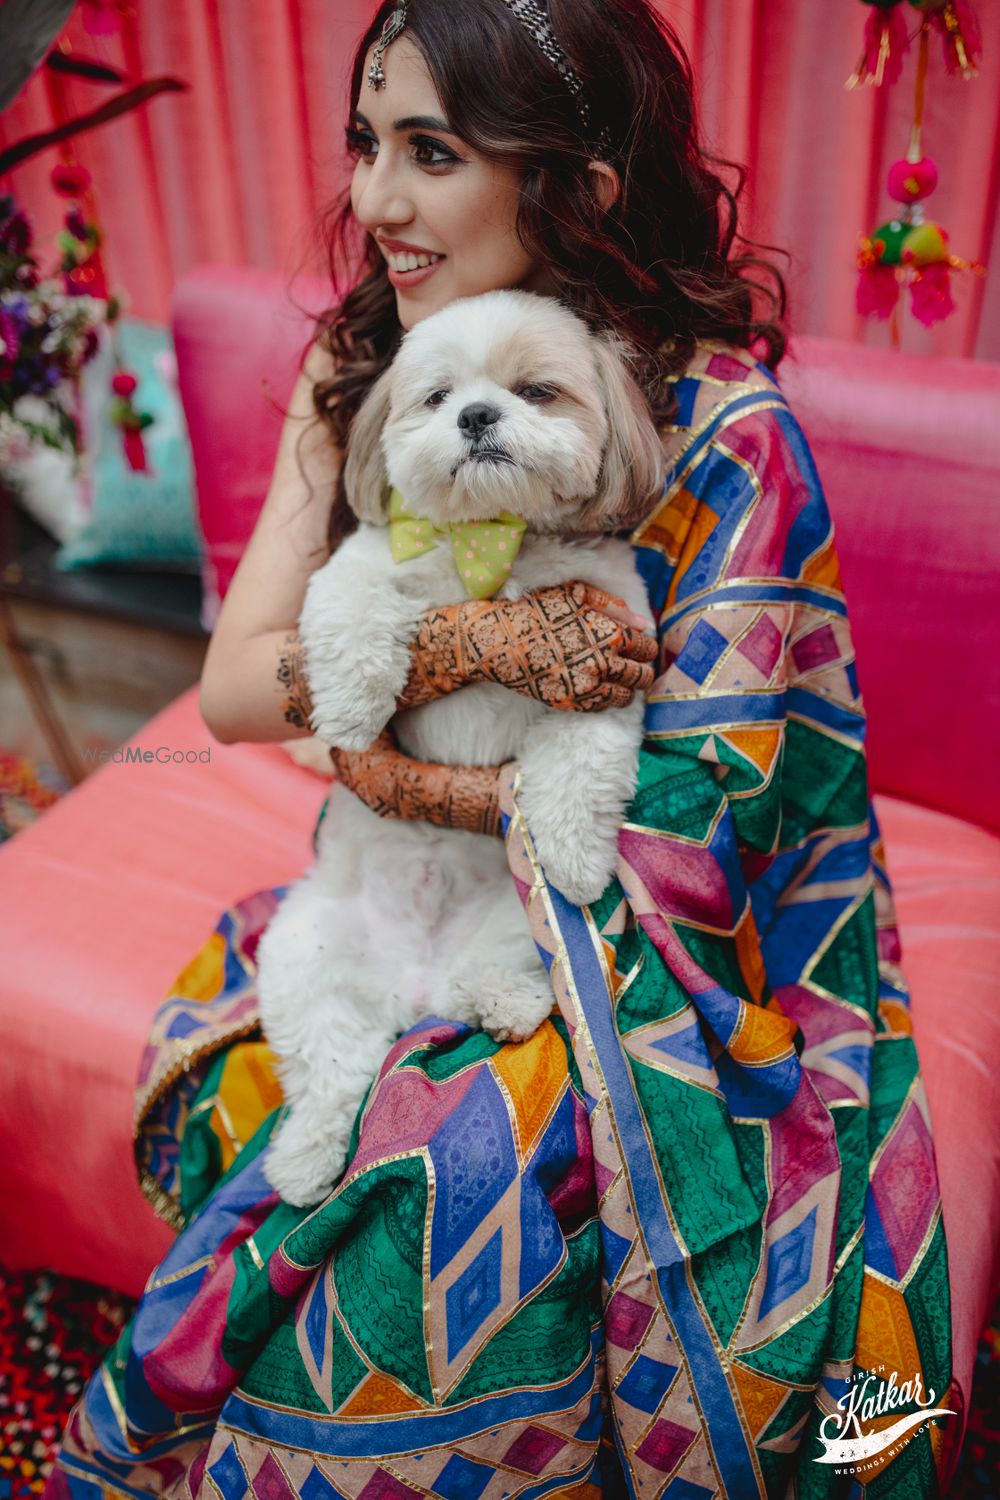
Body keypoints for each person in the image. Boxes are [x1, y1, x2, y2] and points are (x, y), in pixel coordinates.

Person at [47, 2, 958, 1496]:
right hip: (413, 864)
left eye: (430, 151)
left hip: (644, 921)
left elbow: (719, 793)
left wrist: (443, 776)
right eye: (367, 144)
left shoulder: (721, 429)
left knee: (450, 1176)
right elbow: (233, 689)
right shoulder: (355, 374)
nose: (377, 201)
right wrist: (461, 658)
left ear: (575, 184)